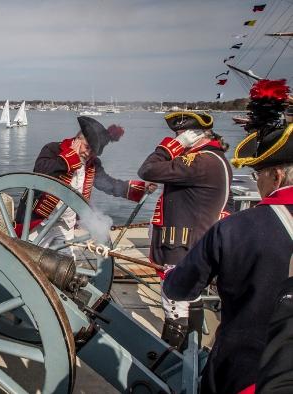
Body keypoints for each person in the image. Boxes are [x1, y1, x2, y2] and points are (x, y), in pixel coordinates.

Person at [161, 79, 293, 394]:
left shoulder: (237, 229)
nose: (257, 181)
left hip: (246, 375)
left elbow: (178, 287)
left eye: (257, 173)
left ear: (275, 175)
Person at [137, 111, 232, 350]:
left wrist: (171, 147)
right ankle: (191, 351)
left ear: (194, 135)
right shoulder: (212, 159)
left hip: (183, 247)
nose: (179, 139)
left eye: (181, 134)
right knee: (190, 300)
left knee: (176, 307)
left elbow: (147, 169)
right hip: (193, 244)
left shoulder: (199, 161)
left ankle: (173, 356)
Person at [15, 116, 156, 255]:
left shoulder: (92, 164)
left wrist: (142, 188)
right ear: (77, 139)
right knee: (27, 259)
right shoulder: (53, 149)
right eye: (87, 147)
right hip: (39, 222)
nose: (88, 153)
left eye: (93, 151)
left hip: (66, 226)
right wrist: (69, 159)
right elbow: (40, 170)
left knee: (64, 264)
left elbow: (109, 184)